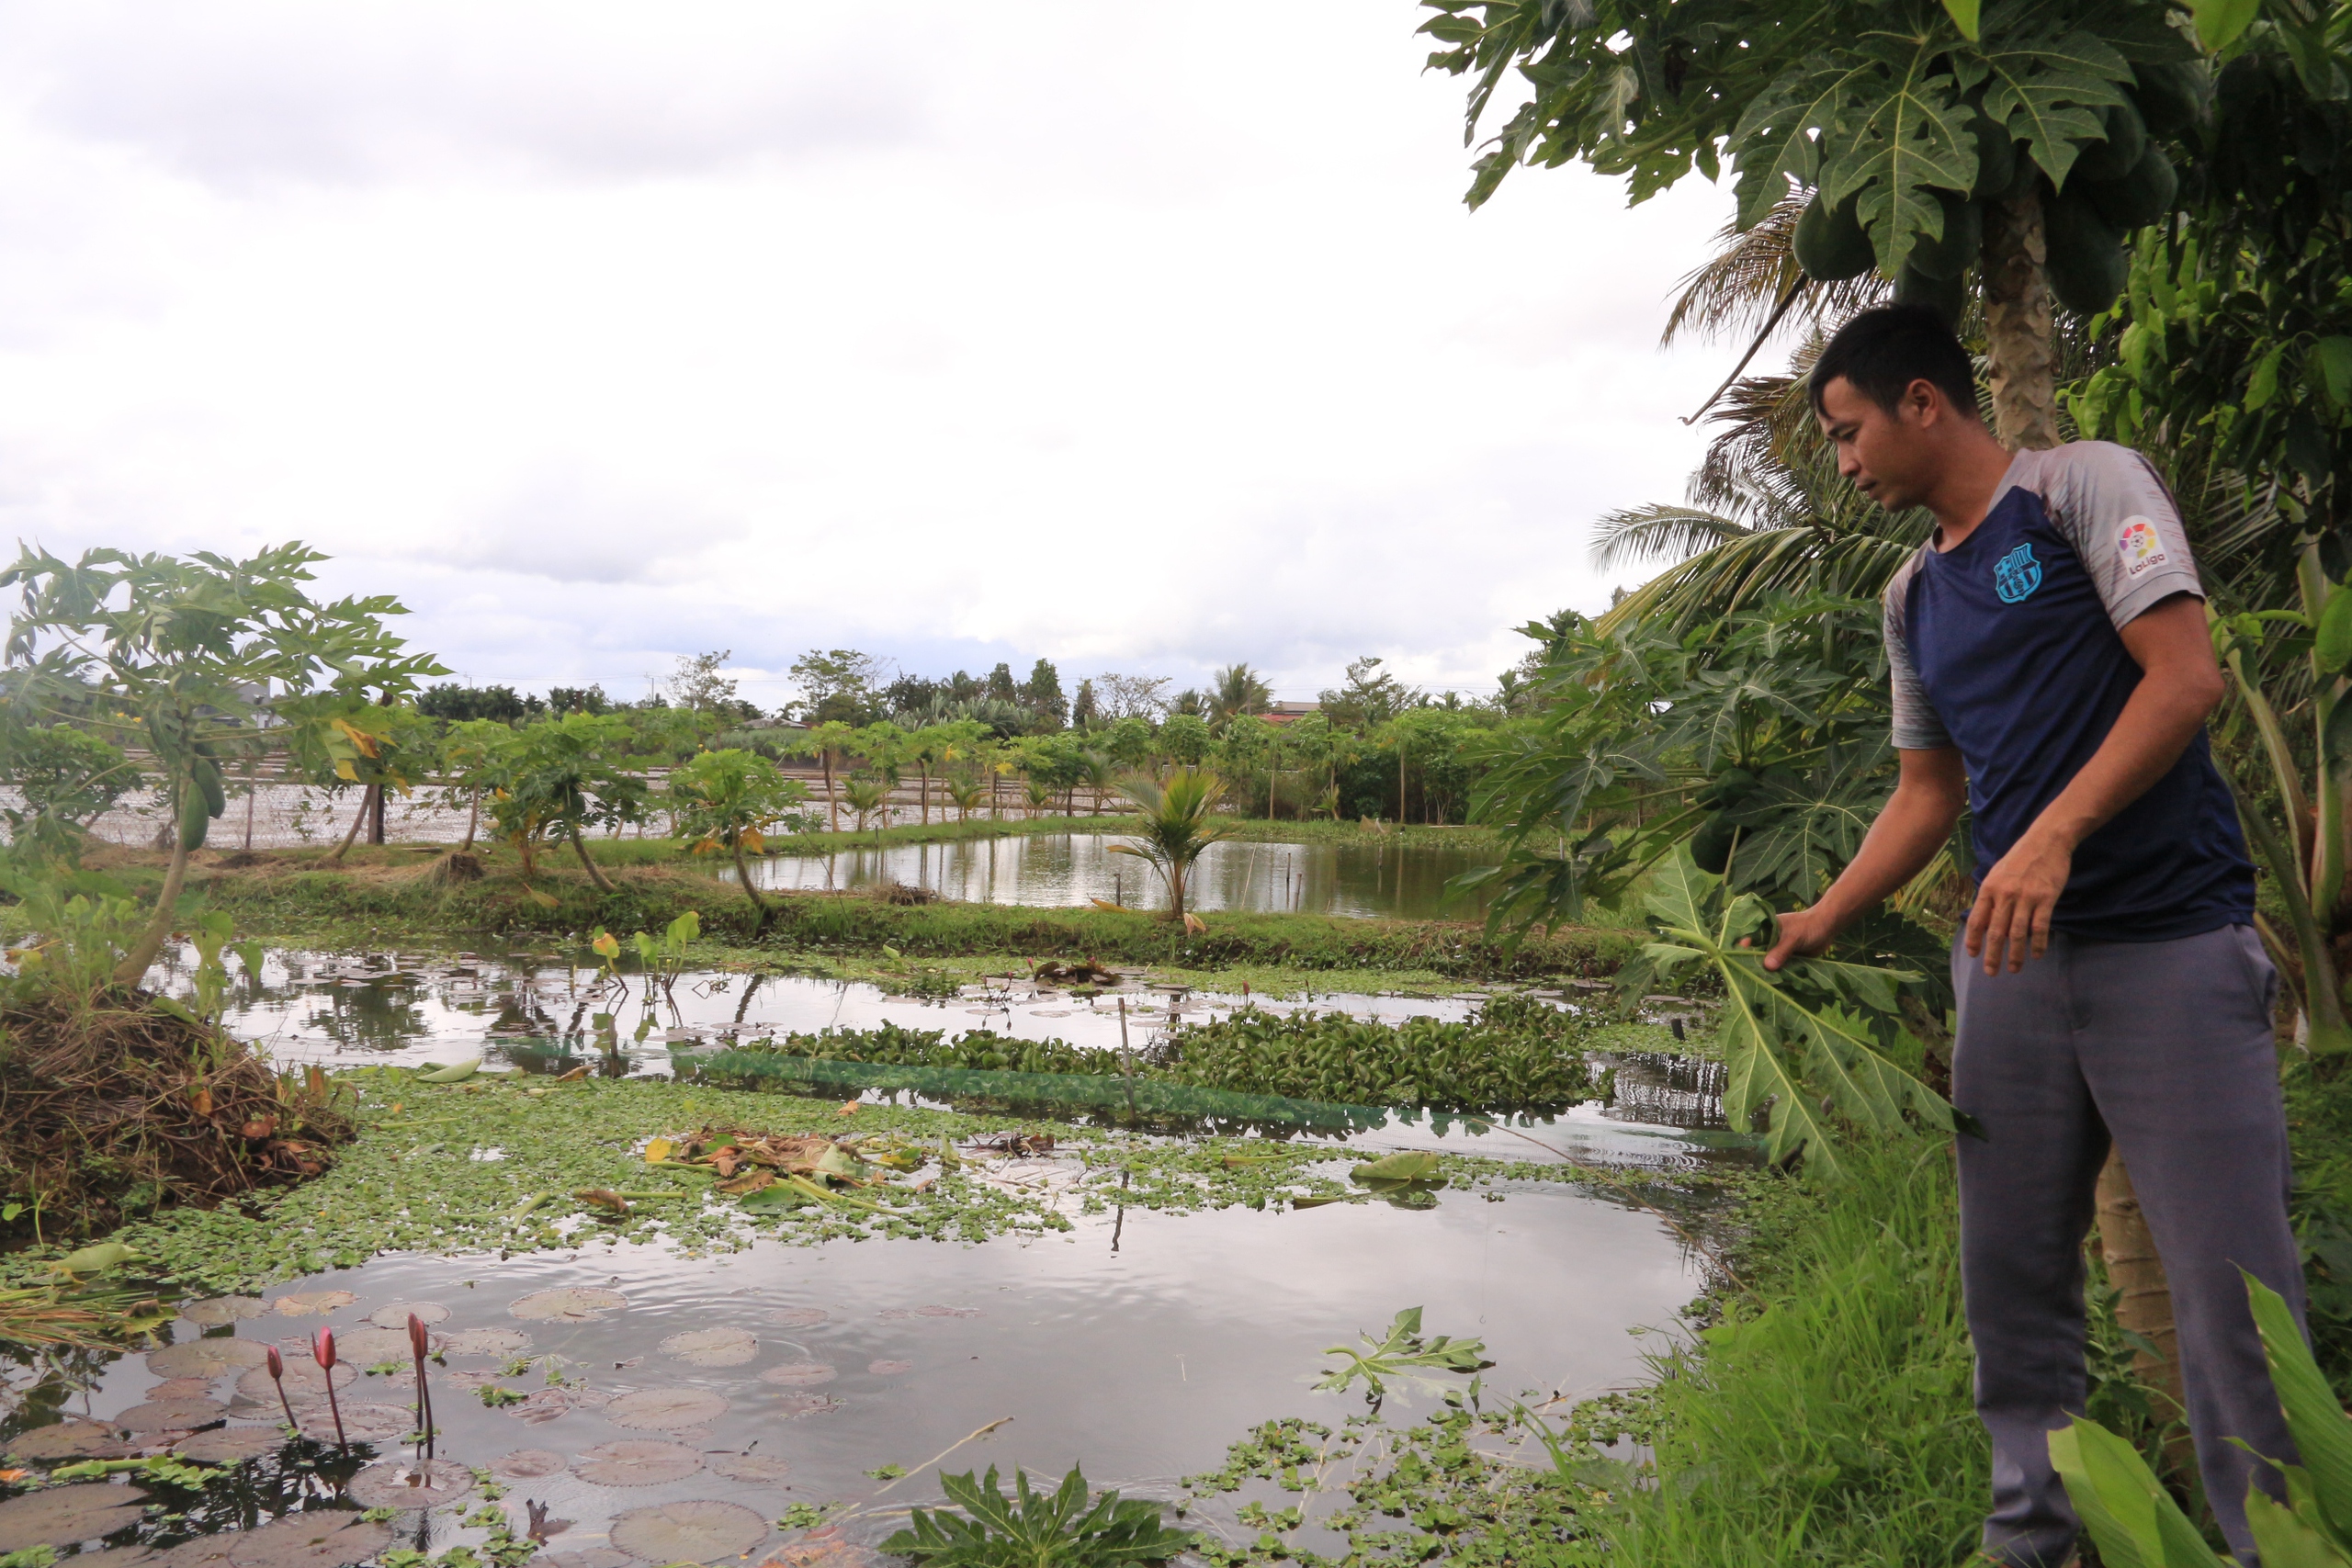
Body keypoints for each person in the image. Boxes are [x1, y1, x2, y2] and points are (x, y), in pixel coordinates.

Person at [1758, 305, 2303, 1567]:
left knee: (2236, 1303)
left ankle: (2274, 1546)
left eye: (1848, 434)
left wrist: (2053, 836)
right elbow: (1927, 793)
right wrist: (1826, 915)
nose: (1843, 465)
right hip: (2010, 973)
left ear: (1923, 404)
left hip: (2170, 945)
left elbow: (2185, 680)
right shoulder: (1912, 596)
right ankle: (2033, 1543)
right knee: (2013, 1296)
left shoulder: (2081, 489)